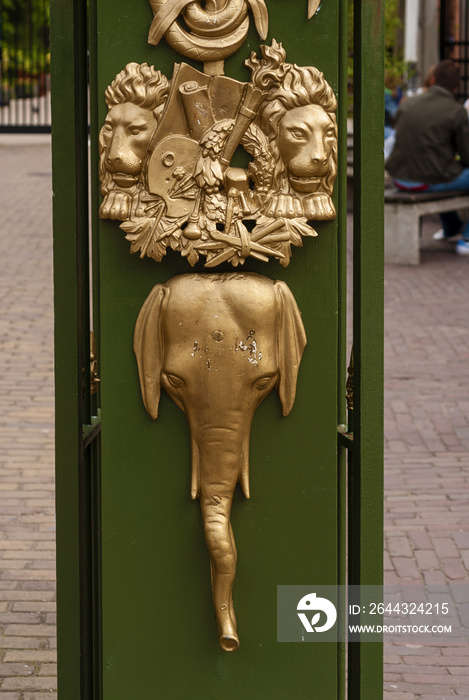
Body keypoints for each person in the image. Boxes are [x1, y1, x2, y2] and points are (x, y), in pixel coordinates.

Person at [386, 59, 469, 256]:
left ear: (432, 80)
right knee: (446, 171)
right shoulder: (456, 110)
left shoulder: (409, 104)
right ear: (456, 86)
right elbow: (466, 154)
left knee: (442, 168)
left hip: (400, 178)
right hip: (425, 180)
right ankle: (466, 239)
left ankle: (451, 228)